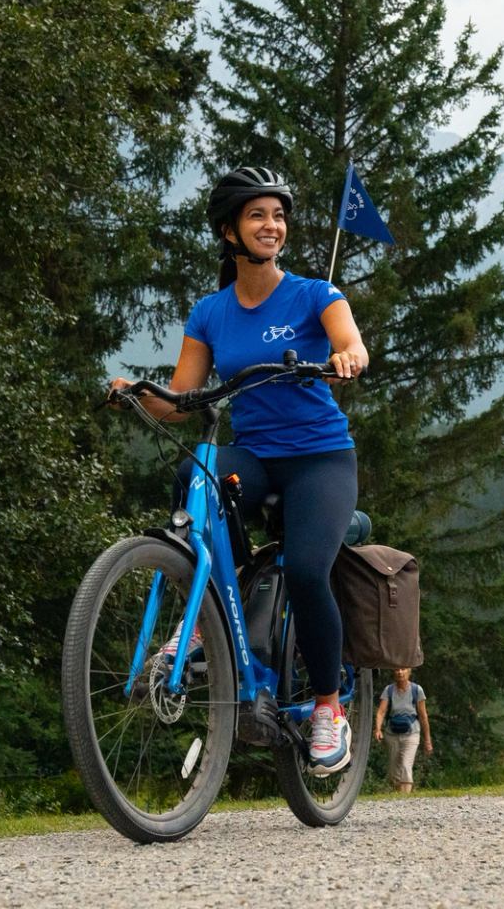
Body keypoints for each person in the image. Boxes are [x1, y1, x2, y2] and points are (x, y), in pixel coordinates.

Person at [110, 165, 370, 777]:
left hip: (319, 459)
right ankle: (207, 614)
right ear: (229, 231)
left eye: (278, 215)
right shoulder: (210, 313)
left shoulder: (314, 295)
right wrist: (132, 393)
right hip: (253, 458)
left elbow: (350, 342)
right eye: (258, 215)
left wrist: (347, 357)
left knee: (308, 571)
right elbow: (181, 401)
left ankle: (328, 708)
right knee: (194, 471)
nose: (272, 225)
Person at [373, 667, 431, 792]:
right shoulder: (388, 690)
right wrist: (378, 729)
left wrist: (427, 740)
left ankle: (405, 798)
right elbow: (381, 712)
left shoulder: (417, 690)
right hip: (391, 734)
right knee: (394, 771)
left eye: (403, 669)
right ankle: (398, 796)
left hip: (412, 733)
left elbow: (423, 715)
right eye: (397, 670)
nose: (400, 672)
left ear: (409, 671)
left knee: (406, 765)